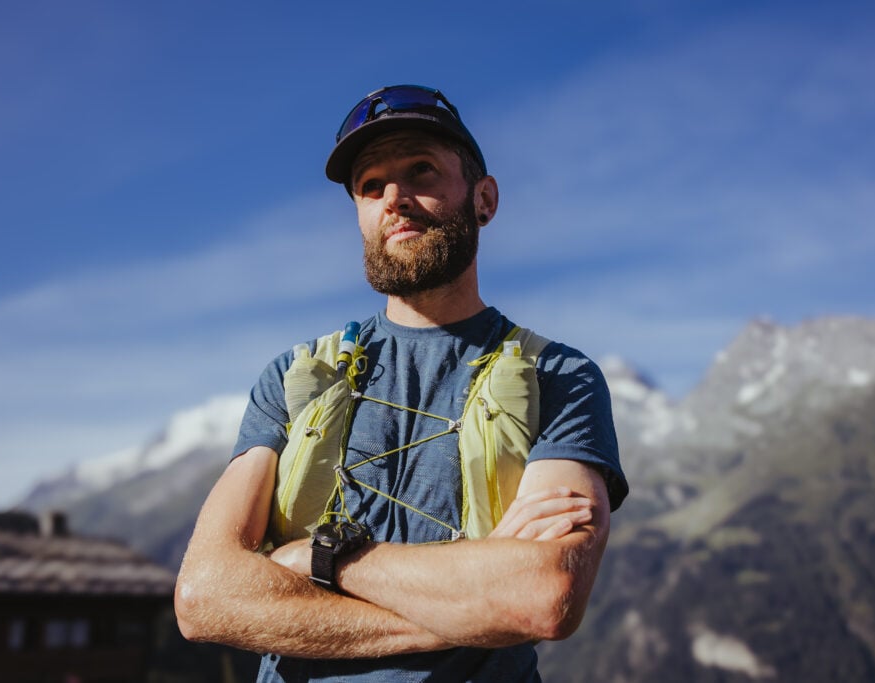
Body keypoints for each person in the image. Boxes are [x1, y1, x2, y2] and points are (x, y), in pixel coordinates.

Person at [174, 84, 628, 682]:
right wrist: (474, 606)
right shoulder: (293, 377)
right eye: (371, 186)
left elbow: (543, 595)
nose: (396, 199)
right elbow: (203, 597)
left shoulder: (560, 377)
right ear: (359, 214)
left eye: (422, 170)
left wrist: (323, 559)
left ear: (484, 199)